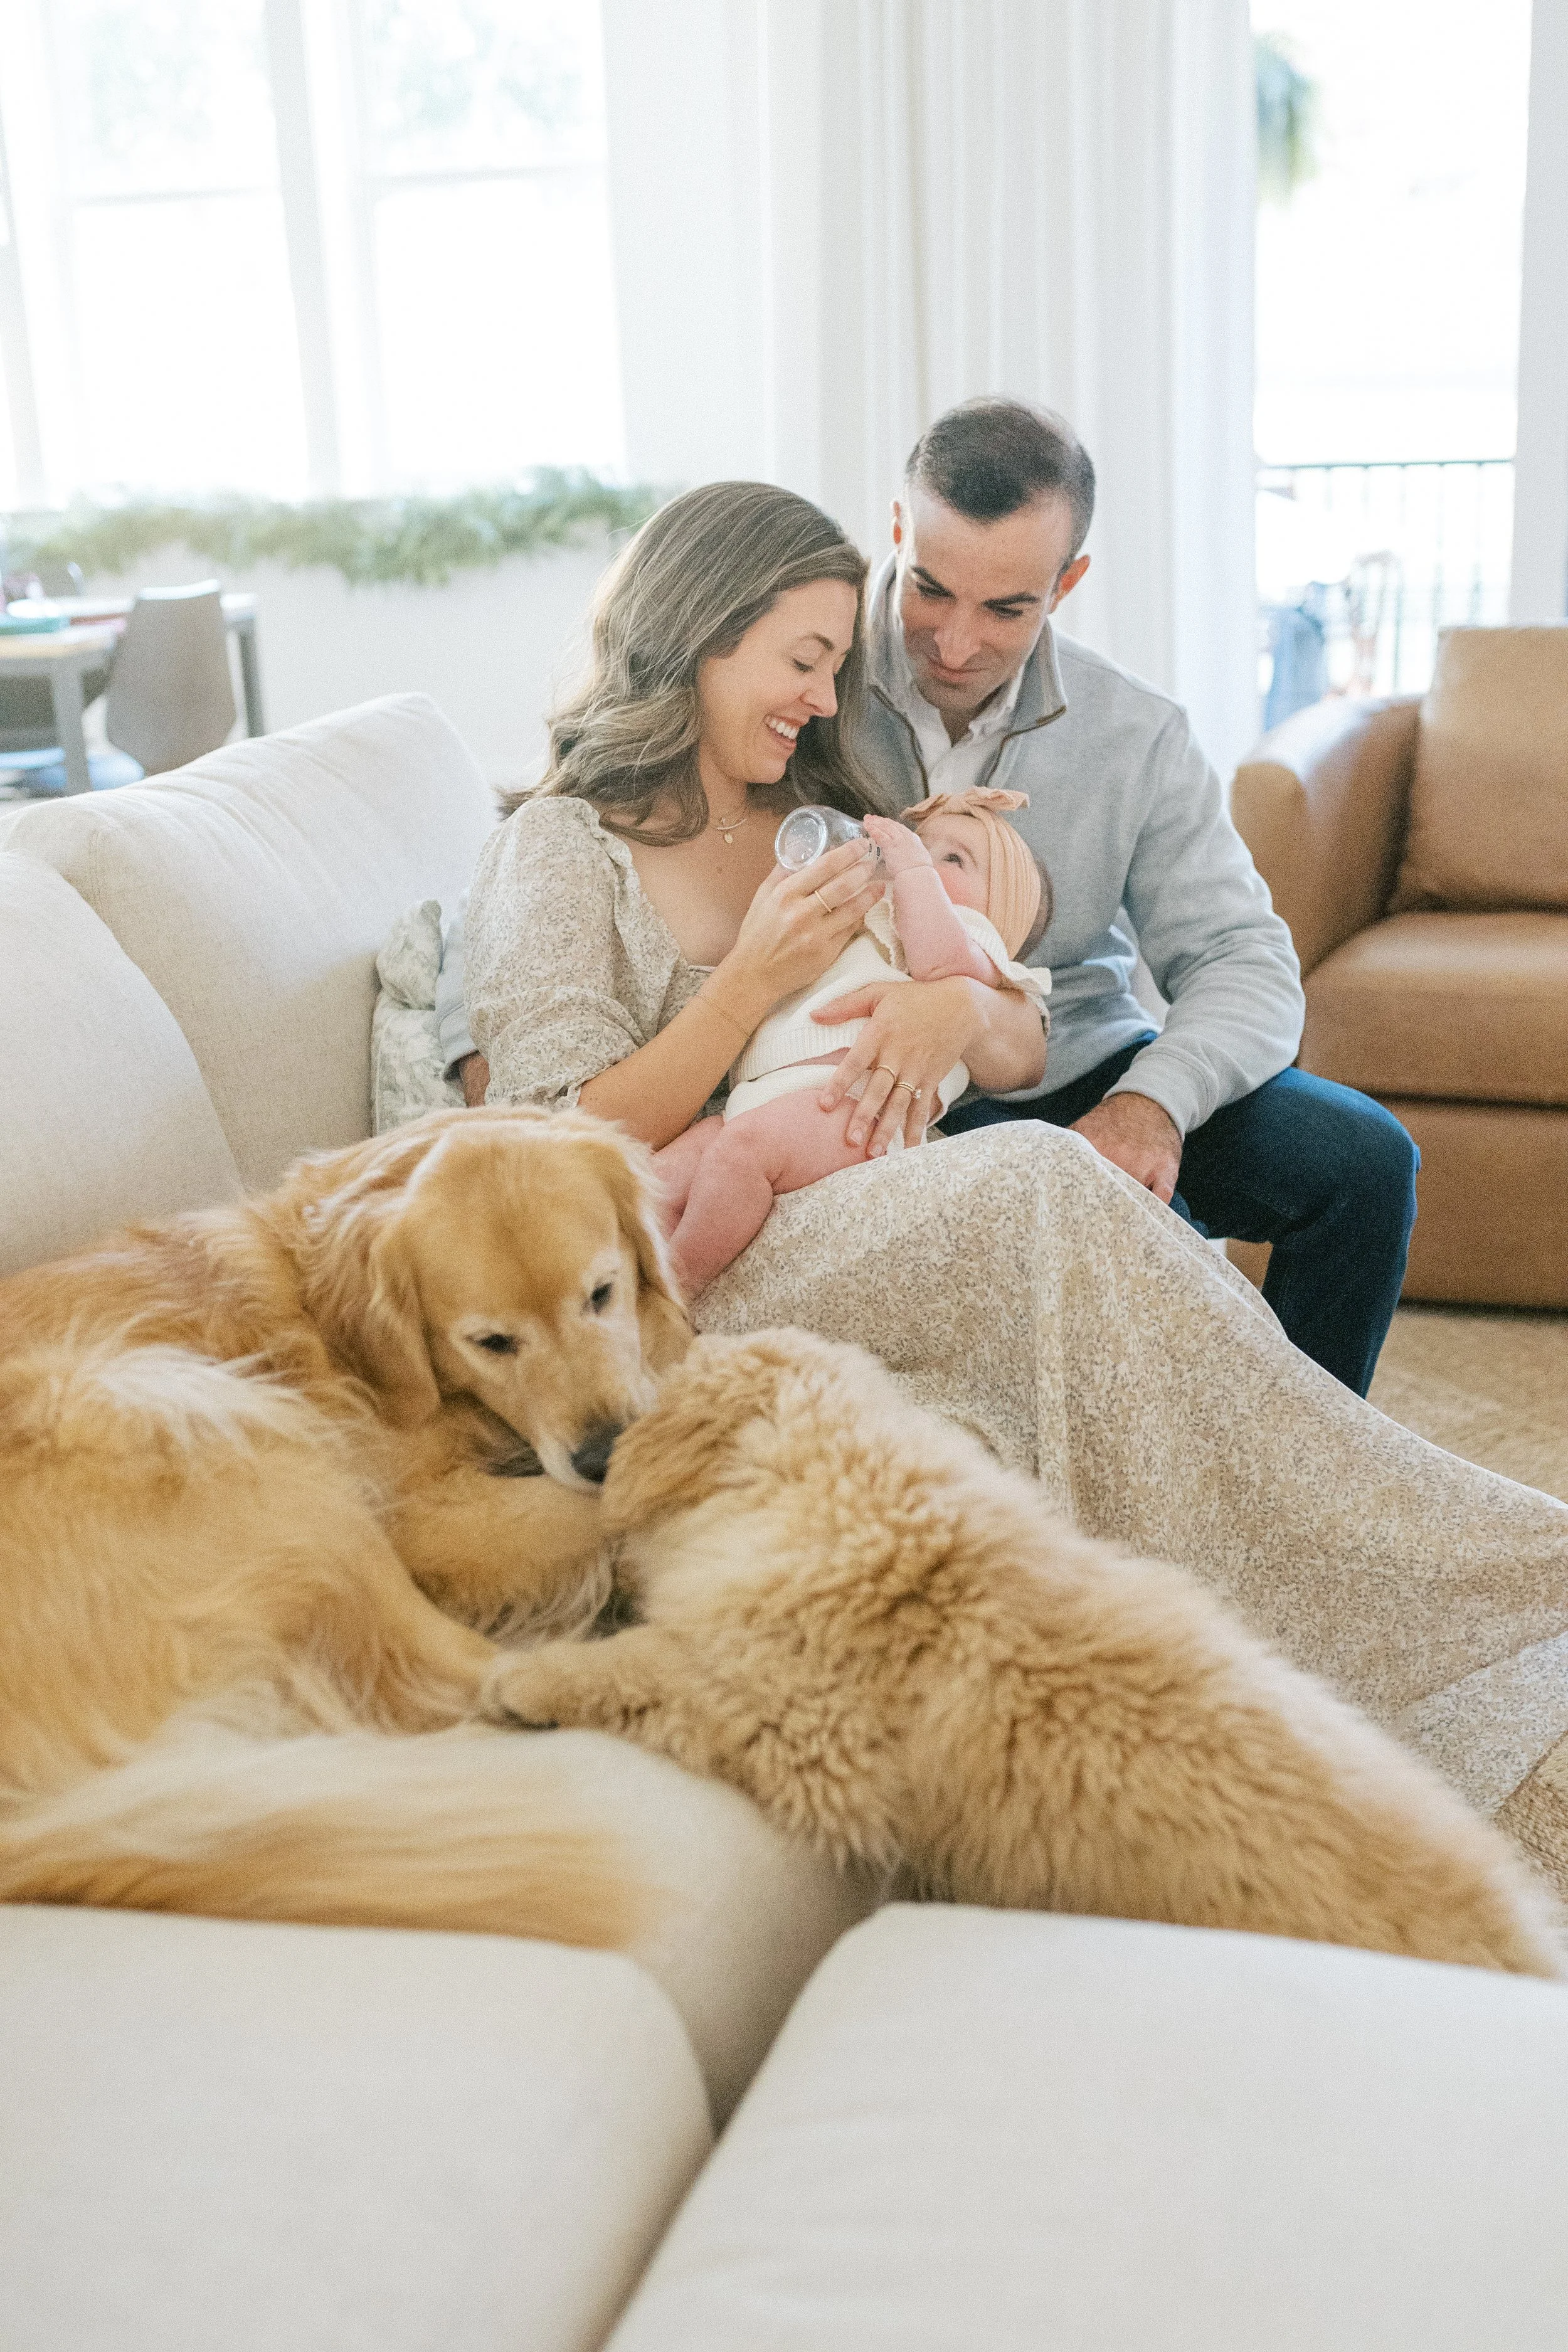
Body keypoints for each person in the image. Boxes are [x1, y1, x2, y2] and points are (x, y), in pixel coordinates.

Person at [460, 476, 1568, 1905]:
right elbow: (554, 1146)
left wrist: (960, 1000)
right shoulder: (562, 840)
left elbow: (1009, 996)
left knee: (1104, 1205)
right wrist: (747, 987)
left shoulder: (818, 799)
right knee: (1038, 1185)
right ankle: (1387, 1589)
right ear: (699, 633)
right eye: (802, 658)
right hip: (688, 1243)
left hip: (863, 1180)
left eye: (827, 663)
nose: (824, 691)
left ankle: (1466, 1569)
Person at [442, 399, 1415, 1399]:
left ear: (1067, 583)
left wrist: (1148, 1106)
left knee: (1363, 1163)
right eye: (932, 591)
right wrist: (472, 1052)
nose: (954, 643)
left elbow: (1242, 959)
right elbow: (533, 890)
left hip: (1068, 1055)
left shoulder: (1137, 735)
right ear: (899, 534)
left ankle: (1309, 1448)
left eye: (1006, 608)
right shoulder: (807, 694)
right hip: (869, 1095)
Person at [656, 790, 1052, 1293]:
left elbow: (939, 962)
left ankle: (676, 1288)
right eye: (920, 842)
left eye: (953, 859)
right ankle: (623, 1273)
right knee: (658, 1177)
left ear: (1001, 914)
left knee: (741, 1154)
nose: (921, 856)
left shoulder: (980, 951)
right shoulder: (872, 919)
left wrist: (914, 872)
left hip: (855, 1114)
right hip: (764, 1100)